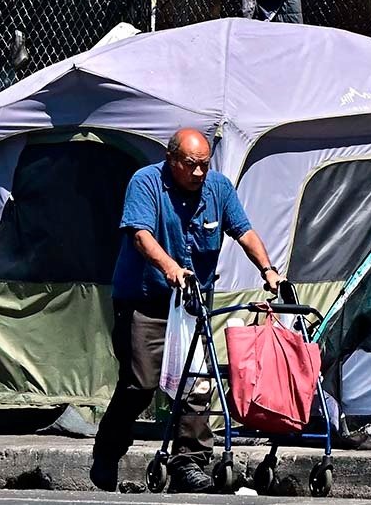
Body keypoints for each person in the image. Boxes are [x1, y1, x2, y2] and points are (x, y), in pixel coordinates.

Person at [90, 128, 287, 493]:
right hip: (145, 300)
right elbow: (140, 234)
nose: (199, 173)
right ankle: (107, 450)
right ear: (172, 160)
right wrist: (170, 268)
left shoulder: (219, 188)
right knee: (140, 384)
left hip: (194, 303)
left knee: (196, 383)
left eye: (204, 165)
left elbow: (243, 231)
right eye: (191, 165)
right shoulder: (146, 182)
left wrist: (268, 270)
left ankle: (189, 464)